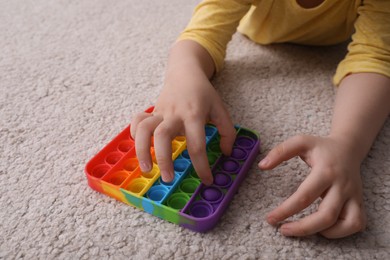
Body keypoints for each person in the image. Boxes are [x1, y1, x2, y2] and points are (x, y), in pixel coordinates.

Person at [130, 0, 390, 238]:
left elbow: (376, 56)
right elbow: (202, 33)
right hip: (254, 27)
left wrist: (348, 143)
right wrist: (183, 76)